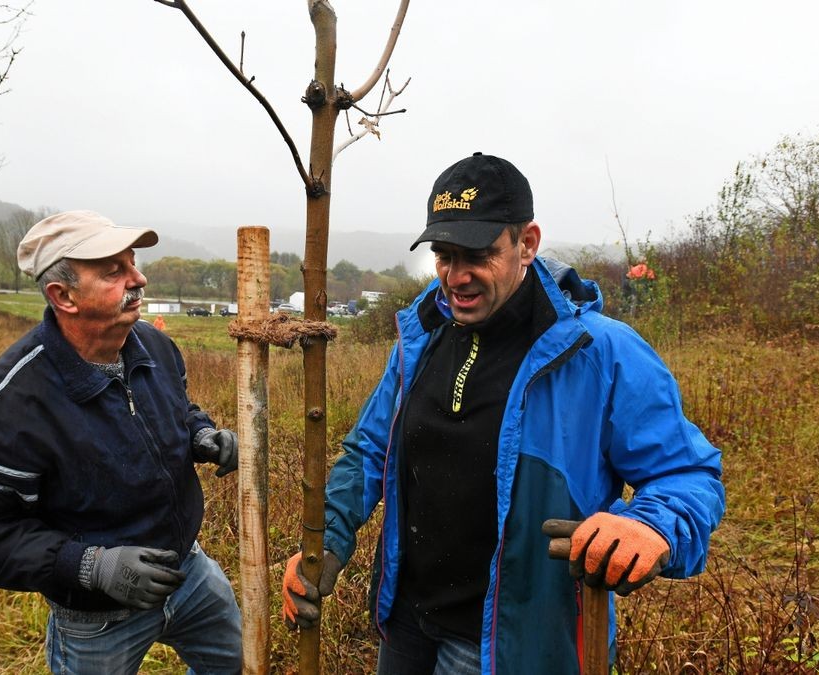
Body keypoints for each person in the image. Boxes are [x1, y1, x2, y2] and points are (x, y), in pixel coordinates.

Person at [280, 153, 725, 674]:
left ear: (527, 244)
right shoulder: (421, 336)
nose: (456, 277)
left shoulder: (600, 353)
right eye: (444, 256)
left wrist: (653, 526)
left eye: (478, 255)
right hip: (406, 625)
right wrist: (326, 540)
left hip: (511, 646)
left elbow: (687, 475)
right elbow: (370, 450)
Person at [0, 210, 242, 675]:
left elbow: (176, 408)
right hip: (96, 619)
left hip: (188, 572)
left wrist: (200, 434)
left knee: (233, 664)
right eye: (113, 271)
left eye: (133, 263)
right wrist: (90, 566)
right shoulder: (10, 405)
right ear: (63, 296)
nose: (138, 279)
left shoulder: (155, 346)